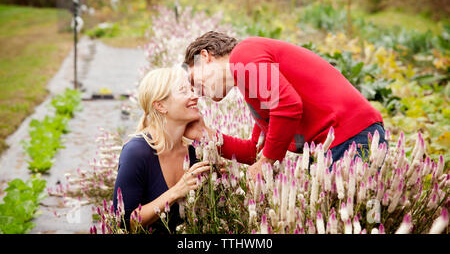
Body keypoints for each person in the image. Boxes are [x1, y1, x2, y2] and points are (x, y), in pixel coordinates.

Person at [183, 31, 387, 181]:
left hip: (350, 137)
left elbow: (287, 106)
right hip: (338, 143)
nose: (198, 92)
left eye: (194, 79)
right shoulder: (251, 85)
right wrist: (203, 134)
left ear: (205, 57)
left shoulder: (243, 55)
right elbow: (255, 151)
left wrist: (267, 162)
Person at [112, 67, 211, 233]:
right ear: (160, 105)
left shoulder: (196, 151)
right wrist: (176, 192)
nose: (195, 96)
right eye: (183, 91)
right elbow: (124, 222)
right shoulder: (136, 152)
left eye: (192, 90)